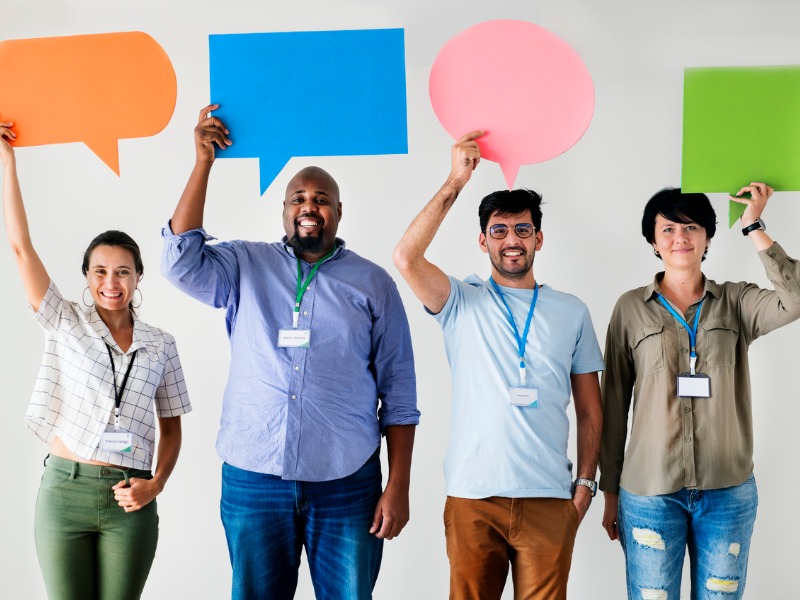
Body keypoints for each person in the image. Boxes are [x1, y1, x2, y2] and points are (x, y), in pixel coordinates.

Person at [160, 105, 419, 600]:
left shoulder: (373, 284)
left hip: (347, 481)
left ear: (338, 213)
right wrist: (203, 163)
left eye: (322, 199)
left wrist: (399, 484)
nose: (309, 206)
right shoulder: (244, 264)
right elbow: (179, 262)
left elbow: (399, 394)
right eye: (298, 197)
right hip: (254, 478)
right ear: (283, 210)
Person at [393, 130, 604, 600]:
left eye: (523, 230)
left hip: (549, 497)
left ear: (539, 238)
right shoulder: (459, 301)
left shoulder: (571, 310)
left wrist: (586, 485)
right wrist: (455, 181)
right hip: (473, 496)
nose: (512, 241)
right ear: (483, 239)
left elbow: (591, 409)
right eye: (500, 230)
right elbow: (406, 258)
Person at [0, 120, 191, 600]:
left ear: (138, 277)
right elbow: (22, 248)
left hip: (131, 497)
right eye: (100, 271)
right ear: (86, 276)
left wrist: (156, 485)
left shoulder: (161, 343)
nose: (112, 282)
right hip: (65, 492)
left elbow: (171, 427)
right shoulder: (64, 322)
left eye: (123, 271)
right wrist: (8, 165)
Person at [599, 183, 800, 599]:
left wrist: (753, 225)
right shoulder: (630, 309)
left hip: (727, 491)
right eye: (668, 229)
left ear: (707, 236)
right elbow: (614, 404)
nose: (680, 238)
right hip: (649, 493)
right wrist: (610, 491)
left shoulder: (737, 301)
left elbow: (794, 299)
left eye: (691, 227)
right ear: (653, 242)